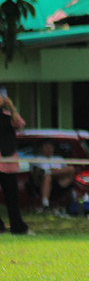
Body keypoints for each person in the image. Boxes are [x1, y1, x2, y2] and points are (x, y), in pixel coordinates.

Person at [0, 87, 30, 234]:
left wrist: (11, 108)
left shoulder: (8, 117)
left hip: (8, 164)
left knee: (12, 198)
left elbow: (19, 124)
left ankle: (17, 226)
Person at [36, 140, 76, 211]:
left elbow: (67, 170)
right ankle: (45, 204)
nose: (49, 149)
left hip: (61, 179)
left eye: (51, 147)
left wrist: (55, 171)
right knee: (47, 177)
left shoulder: (59, 158)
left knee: (71, 168)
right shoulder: (36, 159)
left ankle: (52, 173)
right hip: (44, 180)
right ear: (41, 148)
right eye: (46, 147)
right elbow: (37, 172)